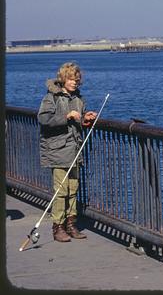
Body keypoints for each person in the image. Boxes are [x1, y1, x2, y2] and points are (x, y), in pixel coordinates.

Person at [37, 62, 97, 242]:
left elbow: (78, 122)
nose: (75, 83)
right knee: (61, 191)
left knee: (73, 189)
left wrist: (86, 118)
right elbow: (44, 119)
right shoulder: (51, 97)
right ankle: (58, 226)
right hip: (58, 151)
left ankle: (71, 224)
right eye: (71, 79)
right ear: (64, 79)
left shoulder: (78, 99)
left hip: (74, 150)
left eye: (77, 80)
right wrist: (66, 116)